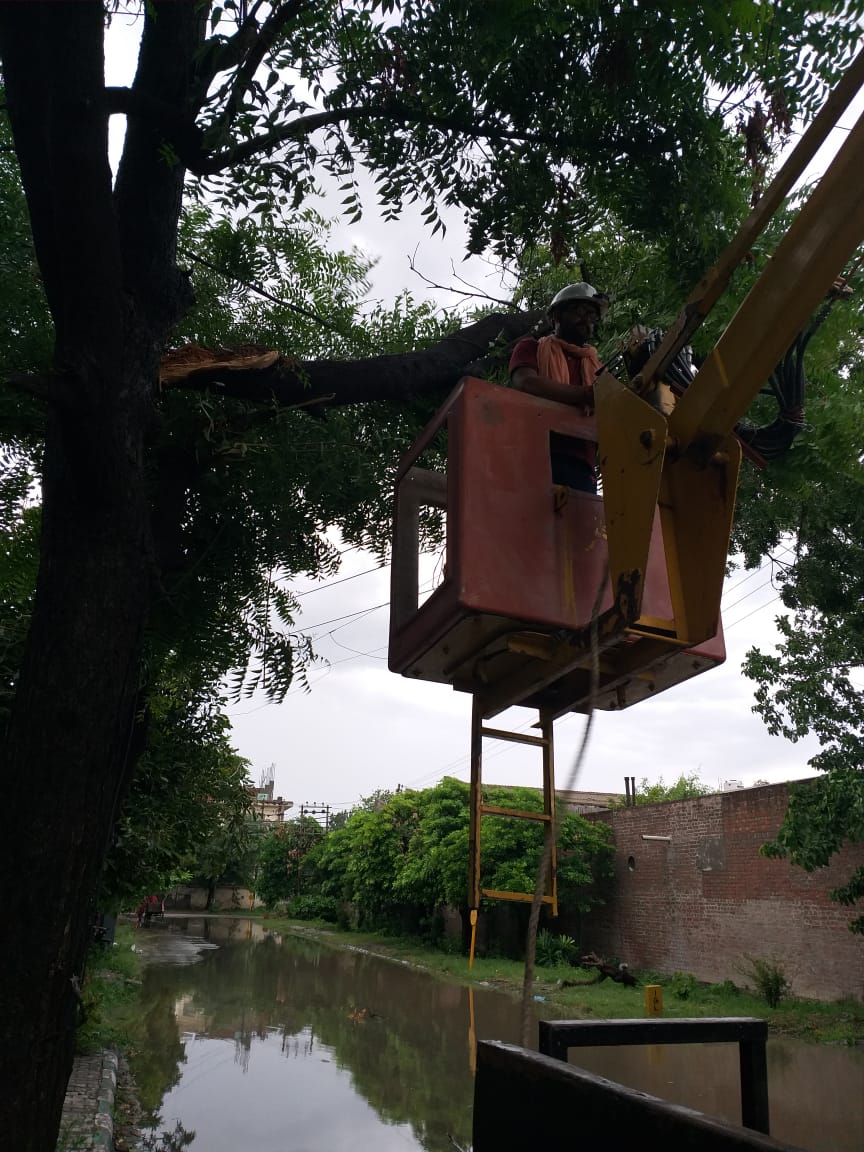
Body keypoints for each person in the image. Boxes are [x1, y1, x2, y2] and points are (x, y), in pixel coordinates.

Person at [509, 282, 608, 494]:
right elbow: (526, 382)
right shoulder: (531, 348)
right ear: (555, 317)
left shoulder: (597, 368)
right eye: (579, 311)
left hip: (583, 464)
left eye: (592, 315)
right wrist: (586, 395)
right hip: (537, 456)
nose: (586, 319)